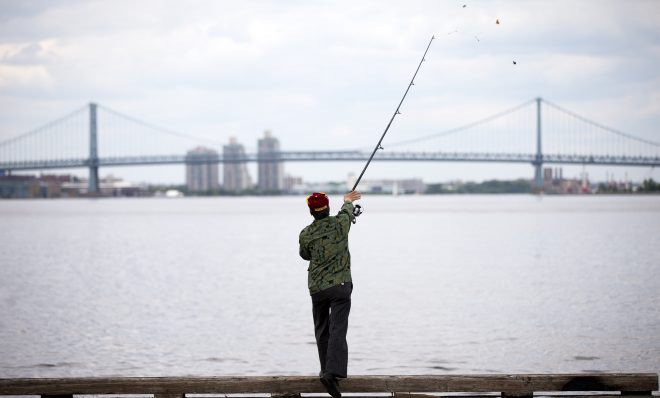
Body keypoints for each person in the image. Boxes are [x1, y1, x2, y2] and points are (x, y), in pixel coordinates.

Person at [299, 190, 362, 398]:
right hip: (340, 285)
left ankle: (327, 371)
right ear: (327, 208)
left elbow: (304, 255)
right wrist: (346, 201)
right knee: (337, 329)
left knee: (322, 329)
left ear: (311, 212)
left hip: (317, 288)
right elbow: (346, 210)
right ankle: (331, 373)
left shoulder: (306, 233)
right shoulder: (340, 224)